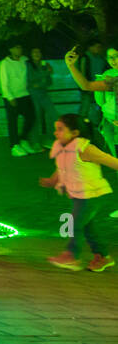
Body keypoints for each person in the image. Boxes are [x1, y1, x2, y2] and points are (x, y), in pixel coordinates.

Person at [39, 113, 115, 272]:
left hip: (92, 195)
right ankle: (103, 256)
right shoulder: (63, 148)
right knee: (87, 227)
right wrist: (52, 181)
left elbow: (111, 161)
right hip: (77, 195)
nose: (55, 133)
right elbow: (62, 168)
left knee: (74, 223)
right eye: (55, 129)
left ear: (75, 133)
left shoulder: (85, 148)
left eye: (60, 129)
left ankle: (71, 256)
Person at [64, 46, 118, 155]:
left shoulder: (113, 79)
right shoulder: (109, 75)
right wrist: (71, 66)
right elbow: (87, 86)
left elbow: (86, 85)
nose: (112, 60)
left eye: (116, 56)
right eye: (109, 57)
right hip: (109, 120)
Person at [0, 42, 38, 156]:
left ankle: (23, 140)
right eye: (16, 47)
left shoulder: (24, 60)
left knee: (31, 117)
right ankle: (14, 146)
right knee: (13, 122)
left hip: (25, 94)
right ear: (11, 49)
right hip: (11, 97)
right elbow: (3, 82)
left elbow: (35, 65)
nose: (19, 50)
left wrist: (46, 67)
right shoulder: (4, 63)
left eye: (20, 47)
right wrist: (10, 97)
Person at [27, 47, 56, 143]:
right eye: (34, 52)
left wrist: (38, 84)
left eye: (38, 51)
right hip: (33, 95)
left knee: (53, 115)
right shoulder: (28, 64)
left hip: (44, 94)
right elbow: (31, 79)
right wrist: (47, 72)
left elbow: (49, 82)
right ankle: (34, 141)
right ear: (30, 54)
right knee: (37, 118)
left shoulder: (44, 65)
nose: (36, 53)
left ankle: (50, 139)